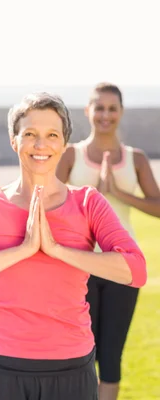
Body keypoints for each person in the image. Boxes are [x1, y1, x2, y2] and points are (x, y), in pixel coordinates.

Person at [0, 92, 147, 400]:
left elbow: (137, 270)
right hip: (1, 367)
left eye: (51, 135)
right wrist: (22, 249)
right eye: (30, 134)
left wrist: (57, 250)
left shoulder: (88, 202)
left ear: (64, 144)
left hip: (72, 366)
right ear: (14, 140)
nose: (41, 144)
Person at [56, 82, 160, 400]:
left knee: (111, 357)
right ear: (88, 111)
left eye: (112, 108)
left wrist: (118, 193)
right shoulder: (71, 155)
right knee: (78, 354)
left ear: (121, 112)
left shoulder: (136, 159)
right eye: (99, 107)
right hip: (80, 267)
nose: (105, 114)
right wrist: (94, 197)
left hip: (122, 268)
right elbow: (49, 204)